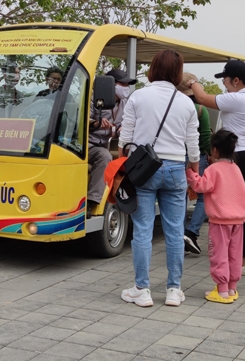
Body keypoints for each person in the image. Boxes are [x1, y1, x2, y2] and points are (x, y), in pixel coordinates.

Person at [119, 49, 200, 308]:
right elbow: (193, 143)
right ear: (178, 72)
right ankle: (174, 290)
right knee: (175, 231)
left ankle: (142, 290)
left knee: (142, 229)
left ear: (153, 68)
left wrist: (124, 162)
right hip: (176, 168)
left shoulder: (138, 96)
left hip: (144, 168)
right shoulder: (186, 102)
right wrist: (194, 170)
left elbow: (125, 137)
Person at [190, 59, 245, 274]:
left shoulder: (236, 98)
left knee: (237, 208)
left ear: (235, 80)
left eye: (224, 80)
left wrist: (193, 80)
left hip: (239, 157)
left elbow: (202, 98)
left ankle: (241, 261)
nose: (224, 84)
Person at [186, 130, 245, 303]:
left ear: (214, 151)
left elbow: (201, 186)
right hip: (238, 220)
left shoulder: (214, 169)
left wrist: (191, 174)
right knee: (235, 253)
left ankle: (222, 291)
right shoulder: (236, 169)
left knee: (219, 253)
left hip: (220, 220)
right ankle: (232, 288)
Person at [87, 68, 136, 212]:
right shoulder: (93, 98)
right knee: (104, 156)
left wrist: (123, 128)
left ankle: (128, 197)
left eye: (127, 85)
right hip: (89, 144)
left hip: (112, 143)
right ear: (110, 84)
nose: (126, 88)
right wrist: (95, 123)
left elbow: (129, 122)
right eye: (122, 84)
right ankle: (93, 202)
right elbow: (82, 120)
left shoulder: (125, 102)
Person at [178, 72, 211, 255]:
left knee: (179, 196)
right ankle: (191, 232)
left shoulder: (174, 107)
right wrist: (207, 154)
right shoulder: (200, 109)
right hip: (198, 157)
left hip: (176, 156)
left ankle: (178, 236)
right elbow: (205, 136)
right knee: (202, 196)